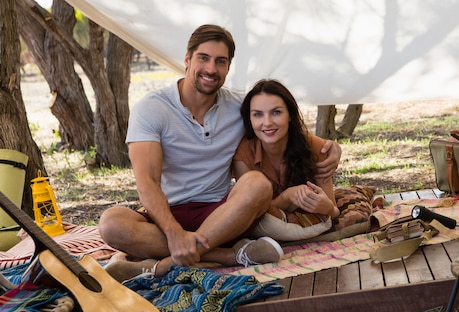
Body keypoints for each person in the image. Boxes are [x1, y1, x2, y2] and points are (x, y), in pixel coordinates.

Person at [99, 25, 341, 282]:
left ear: (228, 67)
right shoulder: (152, 109)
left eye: (220, 61)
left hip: (224, 214)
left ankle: (164, 265)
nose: (211, 69)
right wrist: (174, 233)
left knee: (257, 185)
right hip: (168, 215)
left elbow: (282, 125)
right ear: (187, 59)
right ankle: (228, 256)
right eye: (203, 58)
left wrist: (330, 147)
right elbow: (147, 181)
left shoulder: (240, 106)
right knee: (111, 223)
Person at [233, 79, 339, 240]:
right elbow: (248, 210)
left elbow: (334, 209)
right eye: (258, 114)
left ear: (290, 115)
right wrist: (286, 197)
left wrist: (328, 208)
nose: (267, 123)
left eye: (276, 112)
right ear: (250, 119)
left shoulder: (316, 148)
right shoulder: (243, 155)